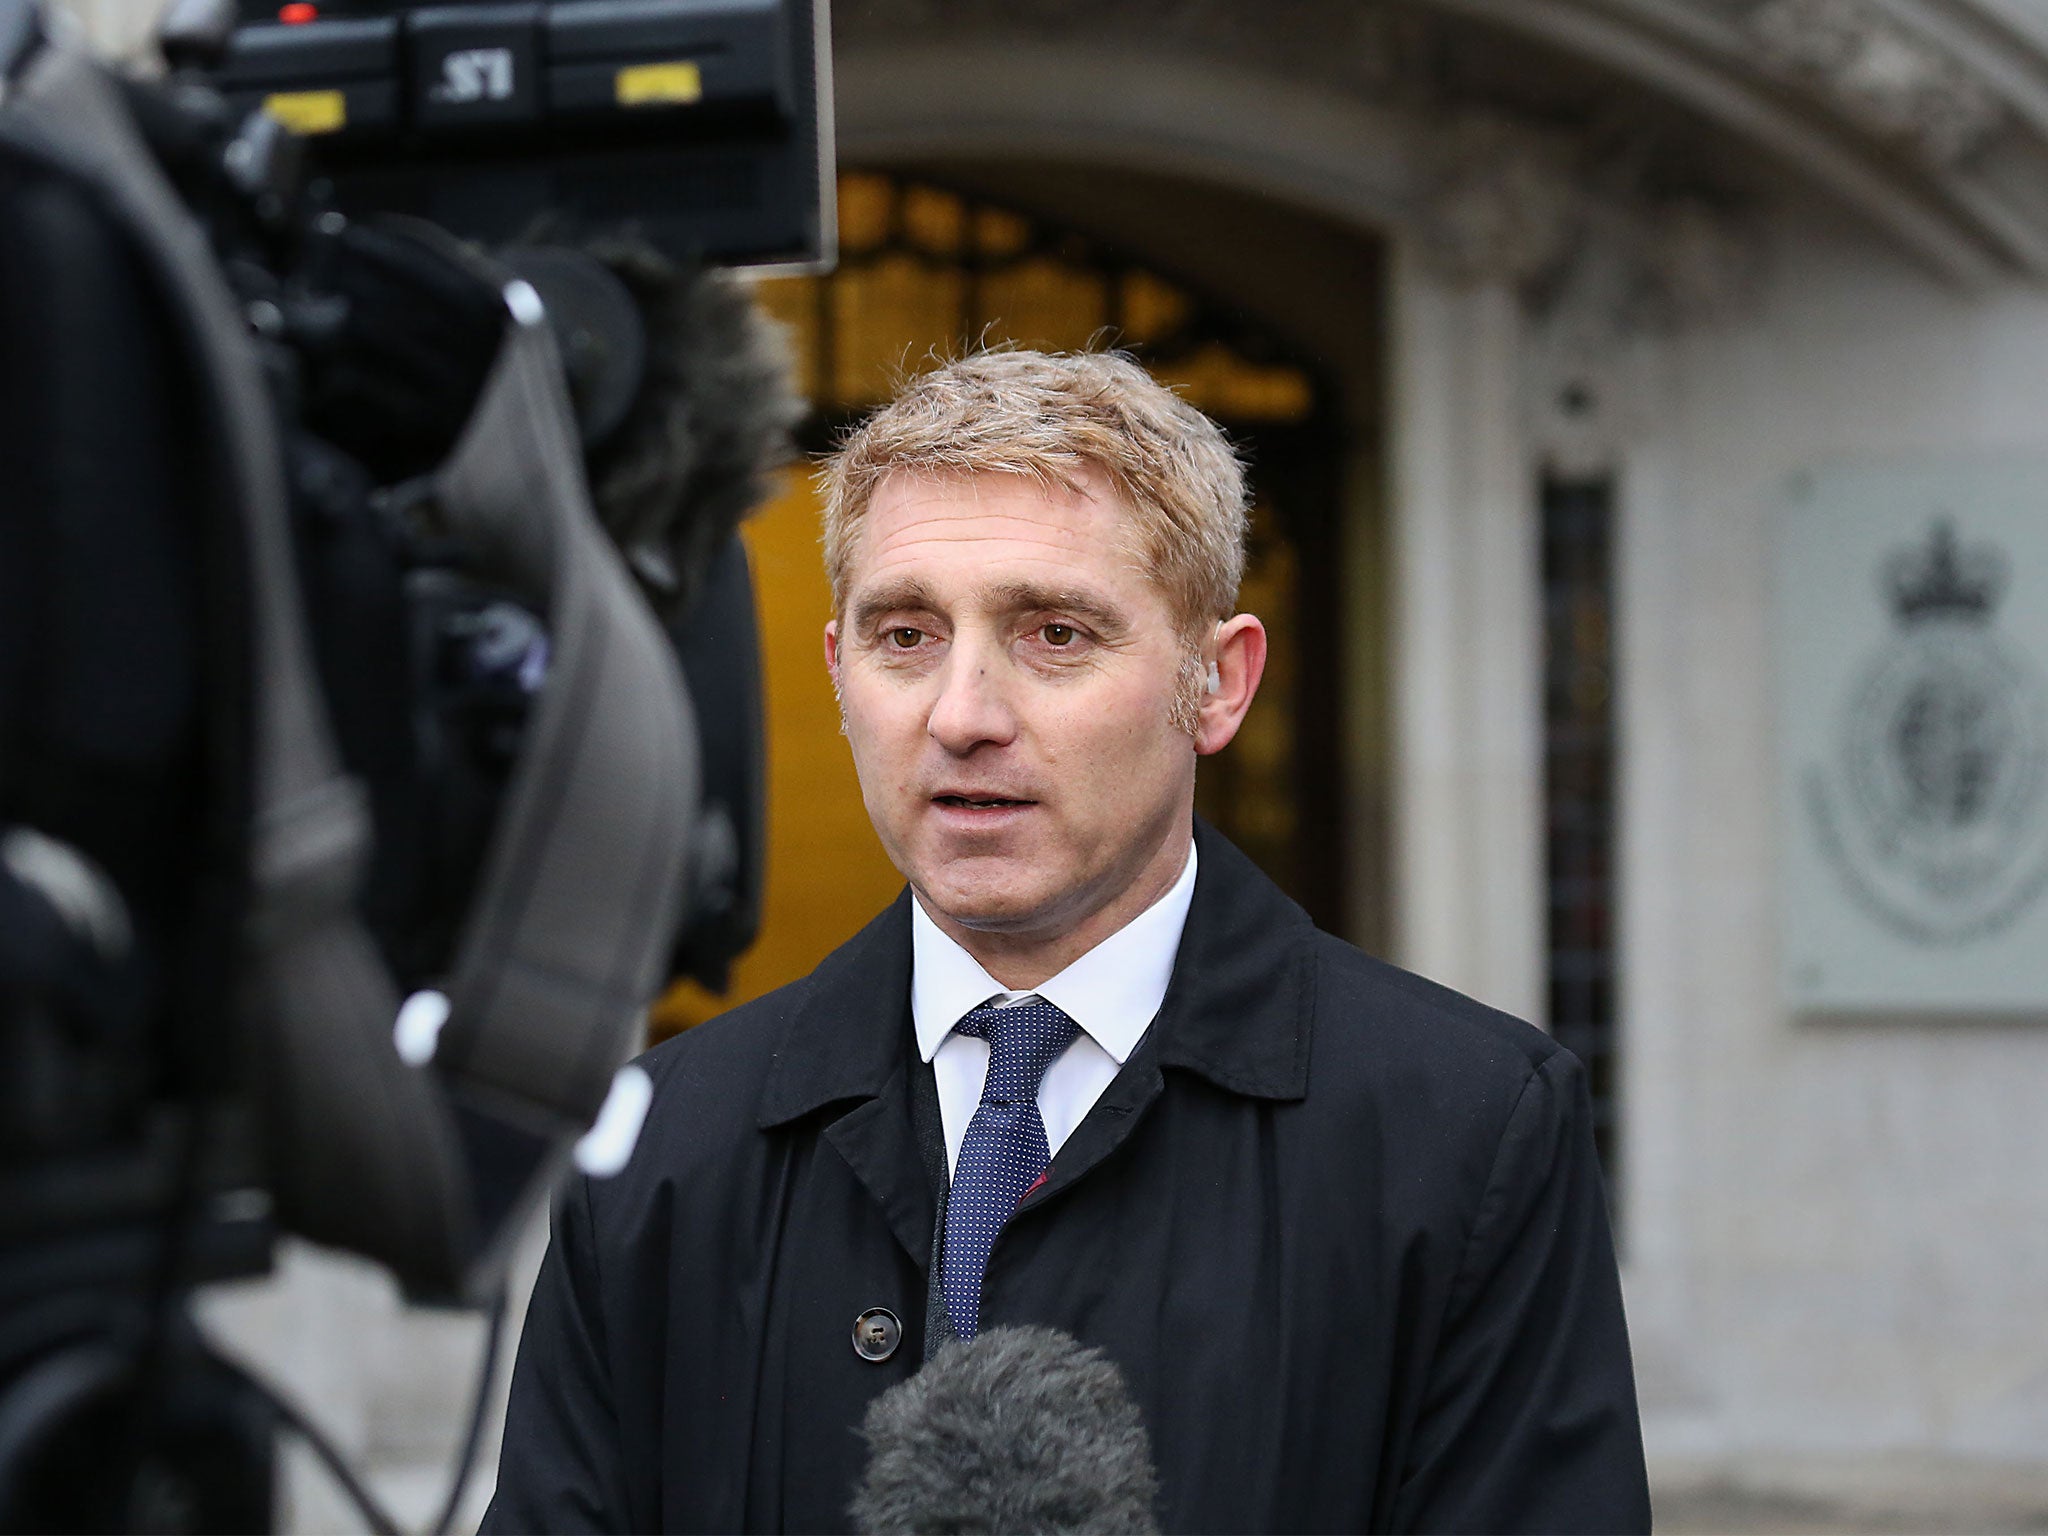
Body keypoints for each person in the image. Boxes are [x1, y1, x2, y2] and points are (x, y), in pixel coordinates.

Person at [483, 350, 1651, 1533]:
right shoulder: (662, 1144)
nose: (962, 716)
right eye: (904, 635)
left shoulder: (1463, 1131)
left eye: (1052, 633)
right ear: (838, 673)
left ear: (1217, 683)